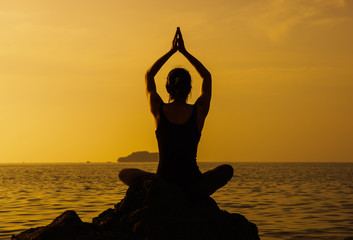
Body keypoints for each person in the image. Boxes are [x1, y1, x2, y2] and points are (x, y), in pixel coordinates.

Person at [119, 28, 233, 196]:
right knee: (226, 169)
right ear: (189, 88)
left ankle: (159, 187)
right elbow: (206, 77)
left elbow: (149, 75)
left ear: (167, 88)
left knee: (124, 173)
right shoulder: (199, 110)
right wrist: (185, 52)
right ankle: (194, 191)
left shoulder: (158, 109)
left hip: (164, 180)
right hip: (192, 181)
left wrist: (172, 51)